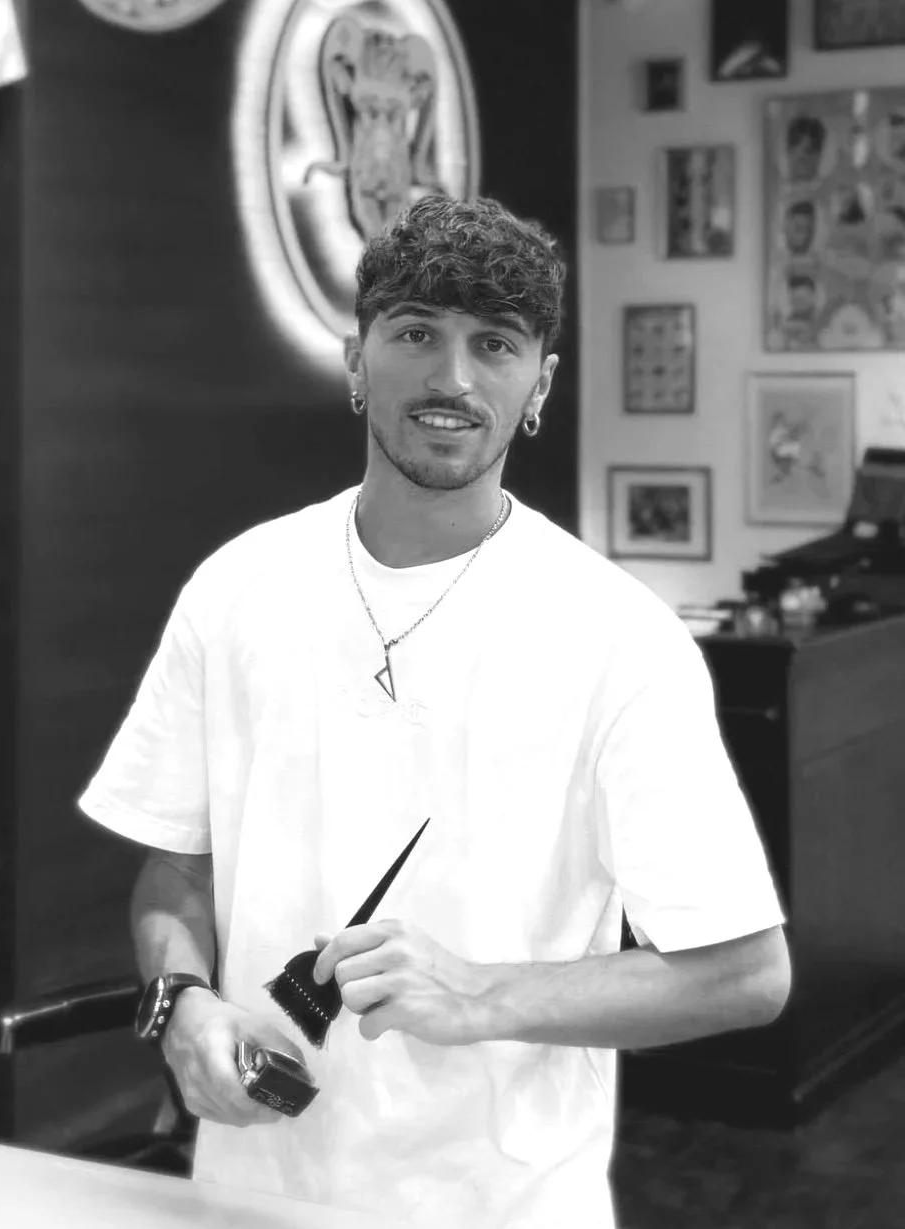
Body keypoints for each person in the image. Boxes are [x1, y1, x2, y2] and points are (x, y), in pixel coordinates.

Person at [77, 195, 790, 1229]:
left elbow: (744, 973)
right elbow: (177, 872)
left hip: (500, 1202)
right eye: (415, 333)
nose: (452, 377)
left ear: (540, 383)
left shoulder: (618, 636)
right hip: (250, 1188)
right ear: (356, 360)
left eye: (494, 343)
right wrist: (179, 1006)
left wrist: (481, 993)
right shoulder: (237, 587)